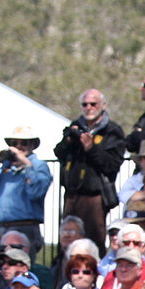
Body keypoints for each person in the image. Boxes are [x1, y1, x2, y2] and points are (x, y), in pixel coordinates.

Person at [54, 89, 125, 245]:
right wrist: (69, 141)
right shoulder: (74, 126)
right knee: (68, 240)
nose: (88, 108)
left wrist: (92, 149)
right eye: (84, 104)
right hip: (72, 196)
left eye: (93, 104)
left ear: (103, 105)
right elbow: (58, 152)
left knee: (93, 241)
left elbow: (112, 164)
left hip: (95, 198)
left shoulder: (112, 131)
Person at [0, 127, 52, 254]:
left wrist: (27, 165)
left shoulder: (38, 166)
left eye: (23, 143)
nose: (19, 147)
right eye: (15, 143)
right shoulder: (6, 167)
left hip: (25, 227)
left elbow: (36, 192)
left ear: (32, 145)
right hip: (2, 227)